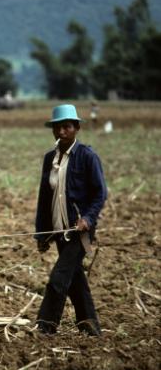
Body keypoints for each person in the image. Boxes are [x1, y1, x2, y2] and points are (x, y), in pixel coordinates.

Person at [35, 104, 107, 336]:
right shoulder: (50, 159)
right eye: (57, 127)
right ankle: (89, 325)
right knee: (75, 279)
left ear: (76, 128)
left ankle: (45, 326)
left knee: (58, 278)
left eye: (67, 127)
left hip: (79, 232)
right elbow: (44, 198)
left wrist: (88, 218)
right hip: (58, 231)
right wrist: (43, 234)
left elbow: (100, 193)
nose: (62, 132)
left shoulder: (87, 156)